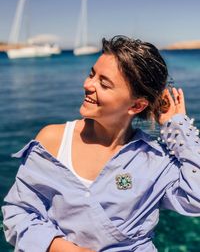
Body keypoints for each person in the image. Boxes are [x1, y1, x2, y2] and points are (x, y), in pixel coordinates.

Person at [2, 36, 200, 252]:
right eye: (91, 74)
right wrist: (63, 248)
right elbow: (17, 213)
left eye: (104, 83)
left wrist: (177, 125)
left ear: (136, 105)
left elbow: (196, 198)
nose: (88, 85)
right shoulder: (54, 141)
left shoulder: (153, 159)